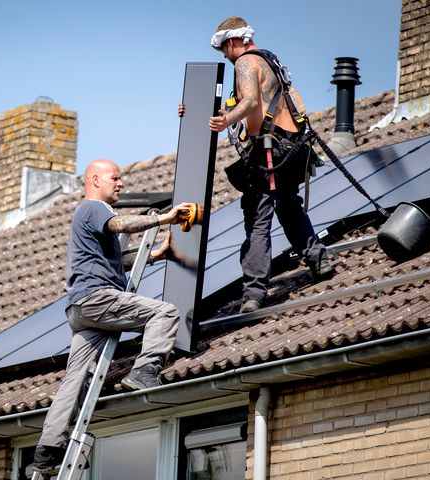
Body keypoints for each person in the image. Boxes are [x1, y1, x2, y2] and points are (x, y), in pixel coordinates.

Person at [32, 159, 192, 473]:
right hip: (96, 298)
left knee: (76, 379)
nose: (120, 183)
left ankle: (48, 449)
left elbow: (112, 263)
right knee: (165, 312)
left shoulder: (87, 221)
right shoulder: (94, 209)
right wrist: (165, 218)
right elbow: (121, 226)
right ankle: (144, 371)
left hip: (81, 309)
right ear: (95, 179)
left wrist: (157, 253)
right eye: (115, 178)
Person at [181, 16, 332, 314]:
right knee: (289, 206)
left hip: (269, 154)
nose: (224, 54)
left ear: (234, 40)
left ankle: (254, 293)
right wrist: (194, 110)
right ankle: (319, 260)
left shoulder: (245, 63)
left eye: (224, 47)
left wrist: (227, 120)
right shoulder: (270, 61)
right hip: (291, 148)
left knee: (258, 219)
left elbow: (249, 101)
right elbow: (247, 101)